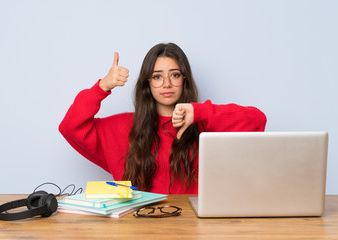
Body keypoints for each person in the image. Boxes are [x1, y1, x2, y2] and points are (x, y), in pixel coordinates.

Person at [59, 43, 267, 194]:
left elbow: (257, 120)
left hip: (194, 228)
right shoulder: (122, 127)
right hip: (138, 228)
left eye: (175, 75)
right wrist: (102, 87)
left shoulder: (204, 124)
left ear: (184, 80)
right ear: (147, 83)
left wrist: (201, 112)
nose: (166, 83)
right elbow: (70, 127)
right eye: (157, 76)